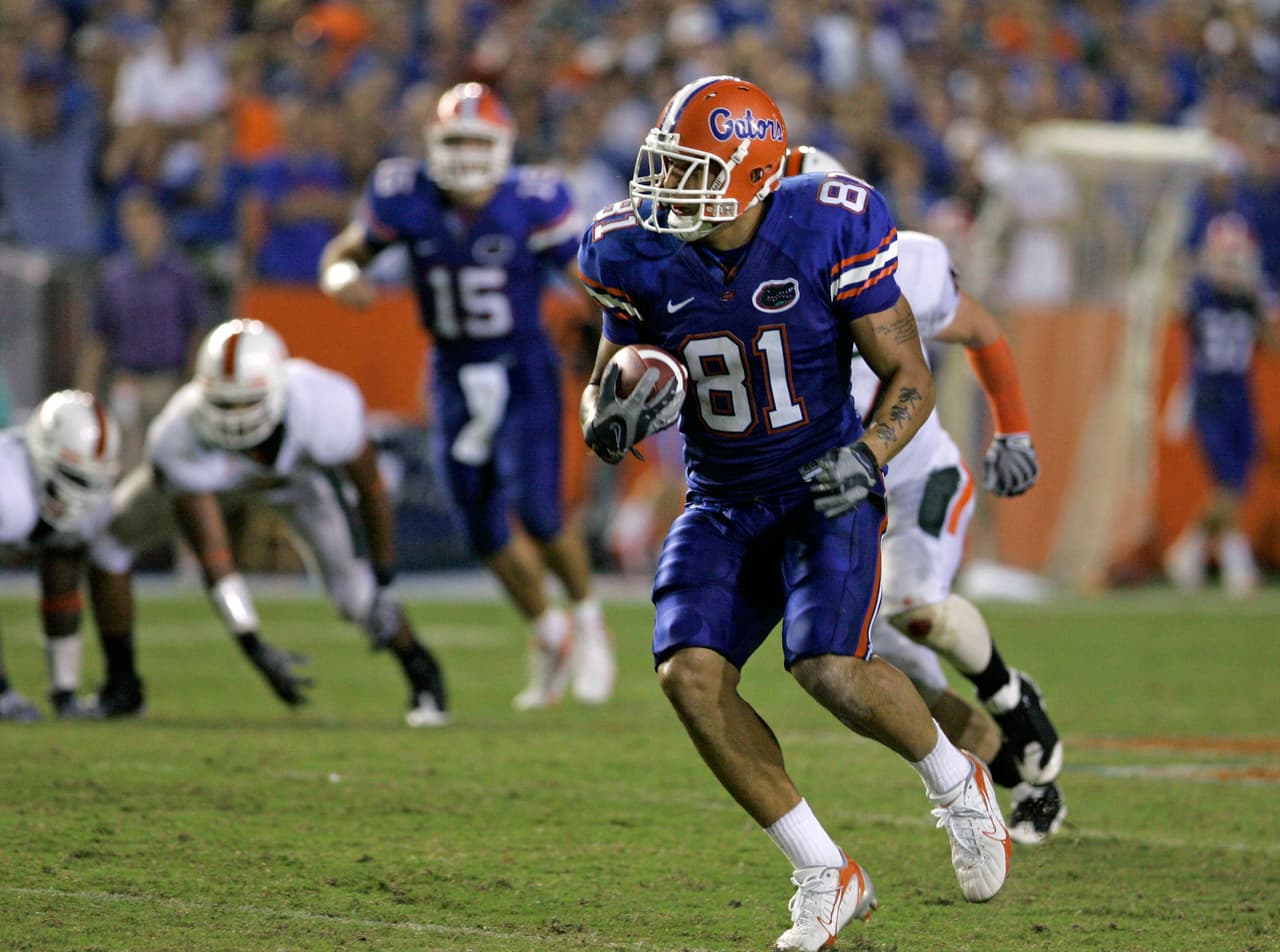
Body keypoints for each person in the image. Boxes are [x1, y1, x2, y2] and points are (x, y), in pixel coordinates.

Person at [577, 76, 1009, 952]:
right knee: (687, 676)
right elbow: (604, 378)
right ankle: (825, 872)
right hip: (721, 496)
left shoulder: (827, 224)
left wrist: (869, 456)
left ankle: (958, 784)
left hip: (824, 481)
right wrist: (606, 420)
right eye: (665, 166)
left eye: (693, 170)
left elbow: (912, 379)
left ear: (754, 175)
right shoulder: (630, 252)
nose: (667, 188)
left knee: (828, 669)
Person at [786, 146, 1066, 844]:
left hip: (915, 479)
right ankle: (1028, 785)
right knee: (901, 679)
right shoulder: (739, 285)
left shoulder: (898, 262)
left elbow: (981, 329)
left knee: (915, 608)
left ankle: (1007, 689)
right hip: (840, 506)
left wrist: (1016, 431)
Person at [317, 81, 617, 711]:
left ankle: (589, 622)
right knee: (478, 523)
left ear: (504, 145)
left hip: (523, 366)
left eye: (478, 141)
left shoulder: (531, 199)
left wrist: (620, 333)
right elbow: (345, 252)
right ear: (432, 143)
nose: (466, 155)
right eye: (455, 141)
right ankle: (548, 628)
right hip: (452, 370)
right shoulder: (406, 194)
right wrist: (343, 275)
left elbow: (588, 279)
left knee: (538, 510)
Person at [88, 318, 449, 726]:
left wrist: (386, 582)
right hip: (214, 482)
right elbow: (215, 557)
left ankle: (422, 671)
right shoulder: (177, 435)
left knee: (357, 596)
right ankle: (122, 686)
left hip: (296, 484)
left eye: (246, 401)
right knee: (107, 538)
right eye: (223, 403)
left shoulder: (323, 403)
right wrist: (251, 641)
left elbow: (371, 492)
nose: (235, 416)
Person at [1163, 212, 1276, 597]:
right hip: (1210, 394)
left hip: (1241, 396)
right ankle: (1235, 561)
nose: (1231, 267)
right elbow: (1177, 303)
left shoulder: (1250, 299)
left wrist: (1259, 303)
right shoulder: (1199, 293)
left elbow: (1270, 345)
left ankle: (1189, 550)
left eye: (1237, 258)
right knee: (1228, 482)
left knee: (1236, 481)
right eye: (1225, 258)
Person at [0, 391, 122, 720]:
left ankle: (64, 692)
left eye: (91, 481)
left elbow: (63, 577)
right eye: (73, 478)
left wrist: (64, 694)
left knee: (63, 560)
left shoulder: (94, 503)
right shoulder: (7, 489)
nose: (81, 496)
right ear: (42, 454)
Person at [77, 187, 209, 473]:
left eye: (144, 215)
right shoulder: (112, 277)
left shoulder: (181, 275)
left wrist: (193, 385)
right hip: (128, 381)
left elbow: (195, 333)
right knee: (127, 463)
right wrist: (85, 394)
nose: (138, 224)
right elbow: (98, 337)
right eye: (130, 217)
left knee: (172, 462)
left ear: (159, 220)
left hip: (168, 381)